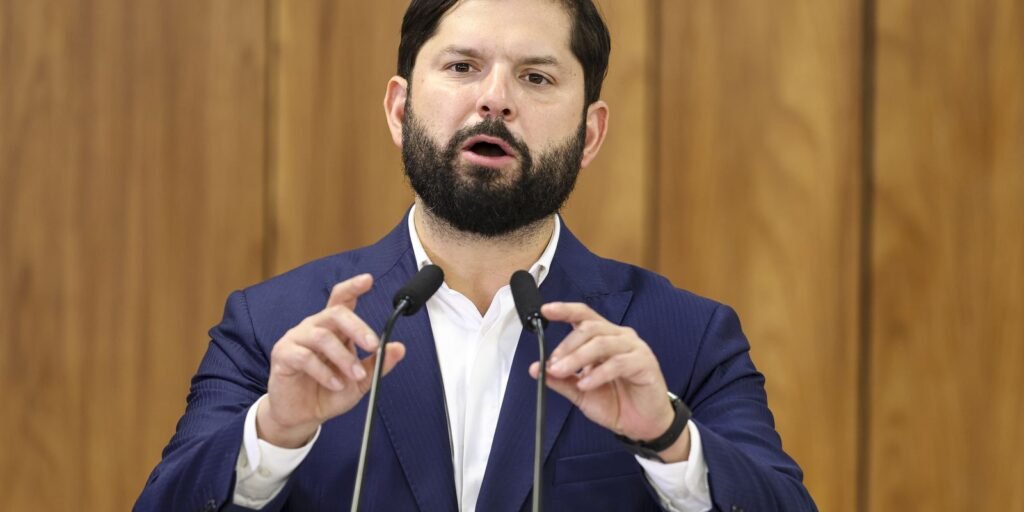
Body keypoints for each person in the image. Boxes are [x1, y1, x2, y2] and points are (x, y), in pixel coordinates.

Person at [136, 0, 817, 510]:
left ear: (590, 134)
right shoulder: (271, 327)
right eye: (462, 67)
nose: (495, 100)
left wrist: (671, 442)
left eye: (537, 78)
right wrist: (274, 434)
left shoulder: (685, 338)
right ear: (399, 110)